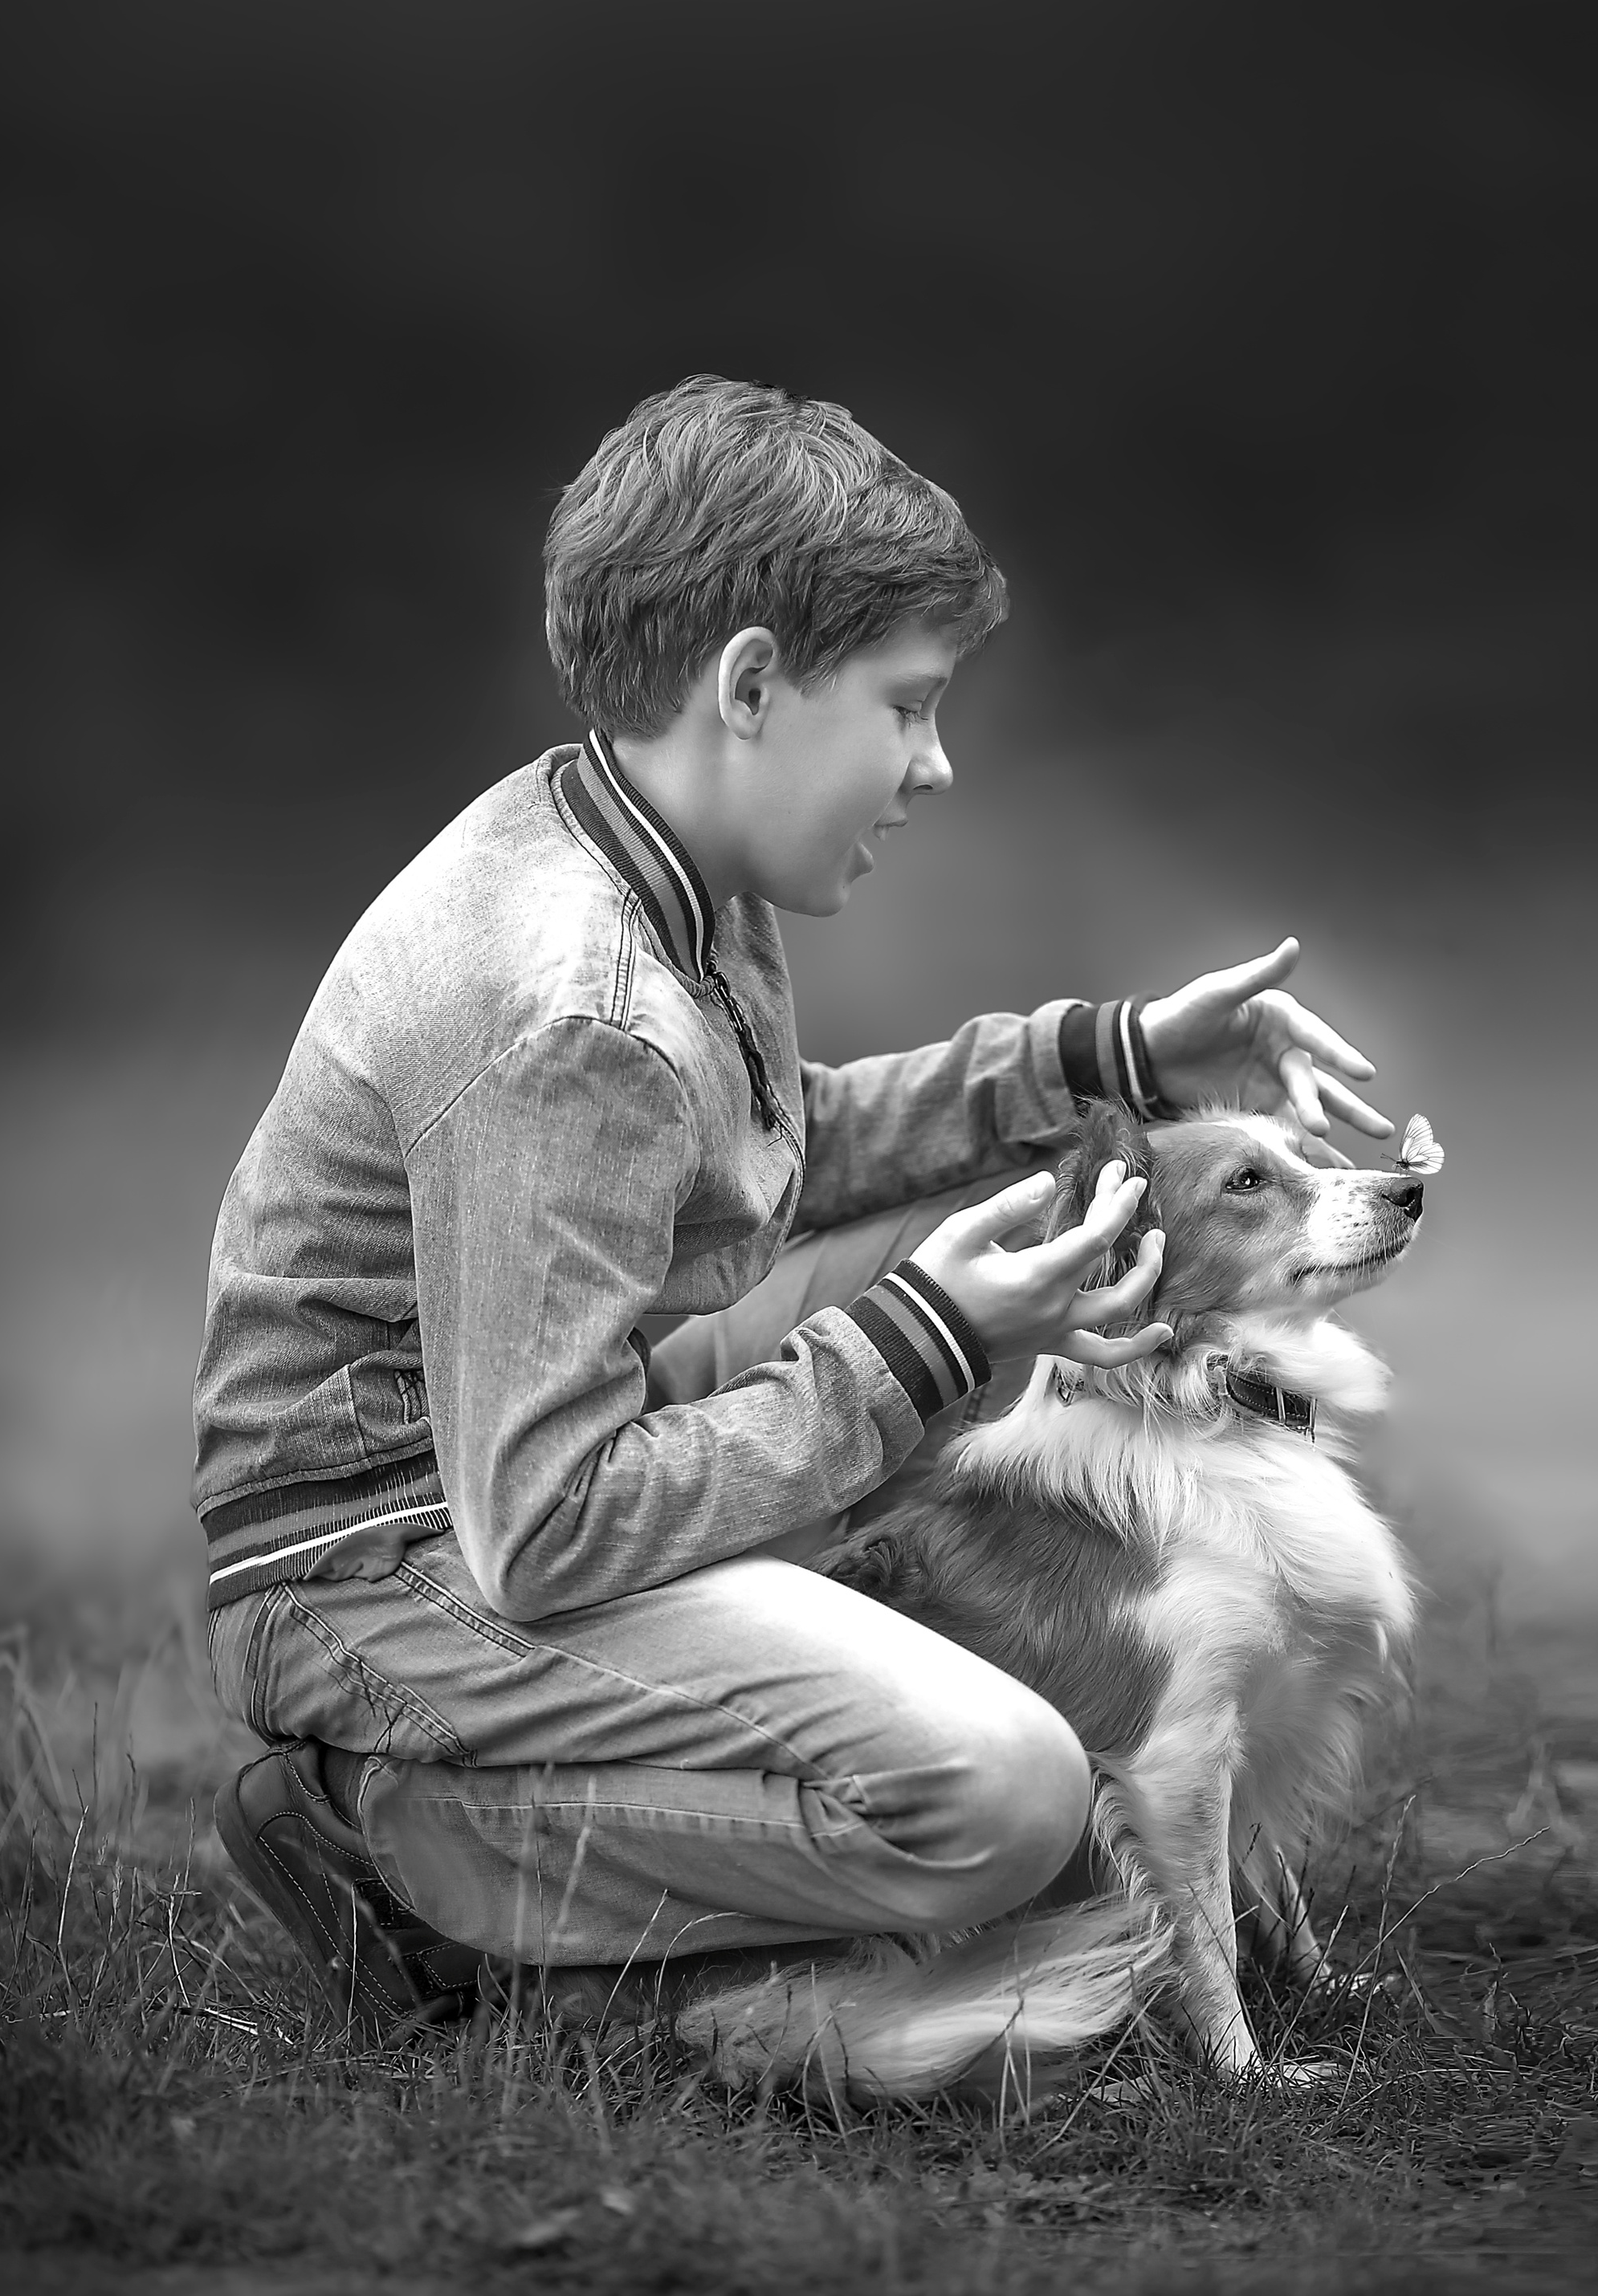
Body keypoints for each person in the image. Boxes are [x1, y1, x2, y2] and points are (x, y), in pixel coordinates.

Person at [194, 374, 1393, 2037]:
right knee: (997, 1789)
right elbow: (539, 1525)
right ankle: (415, 1855)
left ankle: (994, 1737)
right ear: (751, 684)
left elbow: (757, 1156)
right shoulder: (575, 1007)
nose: (937, 761)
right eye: (905, 706)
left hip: (509, 1470)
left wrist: (1100, 1050)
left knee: (981, 1252)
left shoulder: (646, 860)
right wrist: (922, 1342)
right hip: (393, 1569)